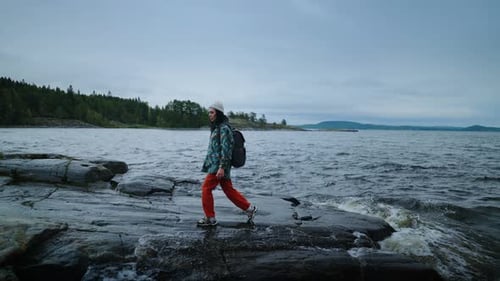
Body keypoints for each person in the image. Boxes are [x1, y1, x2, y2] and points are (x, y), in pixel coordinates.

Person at [197, 101, 257, 226]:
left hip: (219, 166)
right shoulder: (217, 127)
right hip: (218, 165)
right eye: (209, 112)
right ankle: (250, 209)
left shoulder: (224, 128)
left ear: (218, 113)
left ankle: (210, 218)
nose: (210, 115)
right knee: (229, 190)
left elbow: (226, 149)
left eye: (212, 112)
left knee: (206, 188)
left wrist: (222, 167)